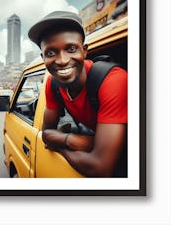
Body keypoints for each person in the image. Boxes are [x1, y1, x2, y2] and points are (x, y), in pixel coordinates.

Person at [28, 11, 127, 177]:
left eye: (71, 49)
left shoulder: (113, 81)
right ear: (43, 57)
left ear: (85, 50)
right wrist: (73, 141)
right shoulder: (53, 83)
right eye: (51, 53)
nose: (62, 60)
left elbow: (100, 168)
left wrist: (62, 144)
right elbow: (46, 133)